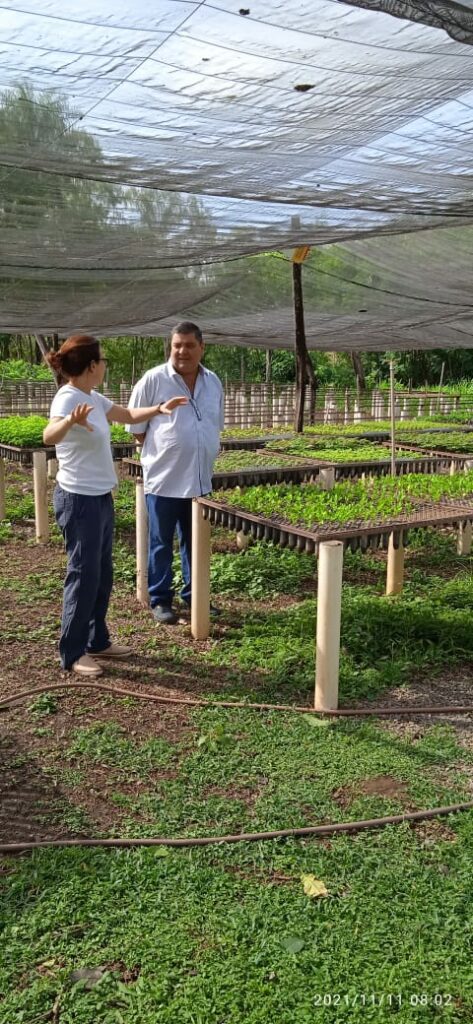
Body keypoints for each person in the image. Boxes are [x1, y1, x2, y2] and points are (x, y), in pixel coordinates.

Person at [43, 334, 188, 677]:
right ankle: (73, 651)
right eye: (103, 360)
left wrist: (158, 409)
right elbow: (48, 436)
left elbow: (124, 413)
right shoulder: (68, 399)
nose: (105, 365)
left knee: (102, 575)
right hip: (78, 500)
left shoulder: (91, 395)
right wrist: (68, 422)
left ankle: (97, 640)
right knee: (83, 575)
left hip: (99, 498)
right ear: (92, 366)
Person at [127, 321, 224, 624]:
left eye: (189, 345)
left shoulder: (213, 382)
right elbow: (136, 428)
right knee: (160, 542)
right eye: (177, 345)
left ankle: (195, 595)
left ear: (201, 347)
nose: (182, 351)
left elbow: (214, 423)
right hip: (165, 479)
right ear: (170, 346)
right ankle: (160, 599)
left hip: (199, 479)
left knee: (196, 542)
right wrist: (164, 453)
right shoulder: (154, 380)